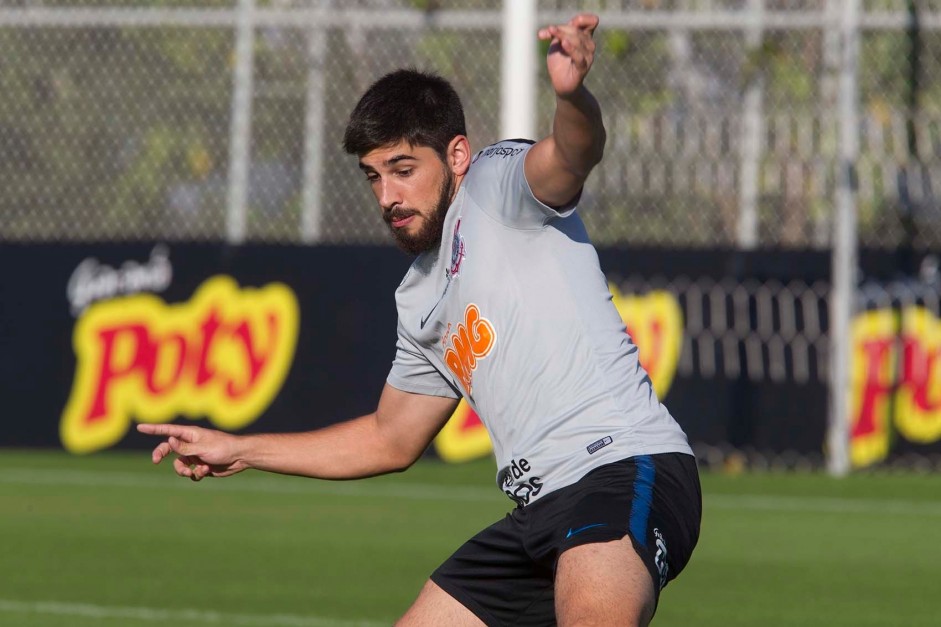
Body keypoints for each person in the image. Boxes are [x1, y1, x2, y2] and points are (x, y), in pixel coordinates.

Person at [137, 13, 701, 626]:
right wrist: (242, 449)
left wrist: (571, 96)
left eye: (403, 170)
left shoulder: (494, 185)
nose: (387, 197)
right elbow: (390, 438)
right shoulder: (420, 296)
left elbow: (571, 154)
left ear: (456, 155)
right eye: (374, 177)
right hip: (538, 513)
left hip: (618, 468)